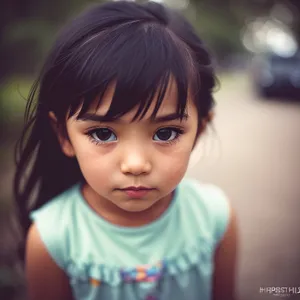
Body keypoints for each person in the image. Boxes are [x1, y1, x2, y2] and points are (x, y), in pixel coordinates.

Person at [13, 1, 238, 300]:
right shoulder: (52, 240)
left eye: (166, 132)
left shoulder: (215, 219)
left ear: (199, 131)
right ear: (64, 136)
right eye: (103, 133)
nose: (135, 164)